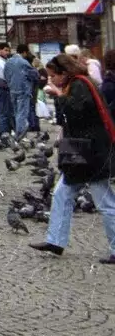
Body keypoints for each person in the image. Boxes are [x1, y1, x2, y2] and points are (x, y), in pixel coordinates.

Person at [29, 53, 115, 261]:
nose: (52, 80)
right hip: (84, 151)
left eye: (53, 76)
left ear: (64, 73)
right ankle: (55, 241)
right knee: (62, 194)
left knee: (105, 202)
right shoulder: (81, 84)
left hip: (90, 154)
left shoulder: (79, 85)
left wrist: (58, 95)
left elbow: (76, 113)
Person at [2, 43, 36, 140]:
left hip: (12, 89)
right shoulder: (24, 62)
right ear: (24, 52)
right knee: (22, 113)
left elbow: (6, 75)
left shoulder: (8, 62)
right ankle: (20, 134)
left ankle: (18, 131)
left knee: (16, 112)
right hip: (23, 90)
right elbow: (34, 75)